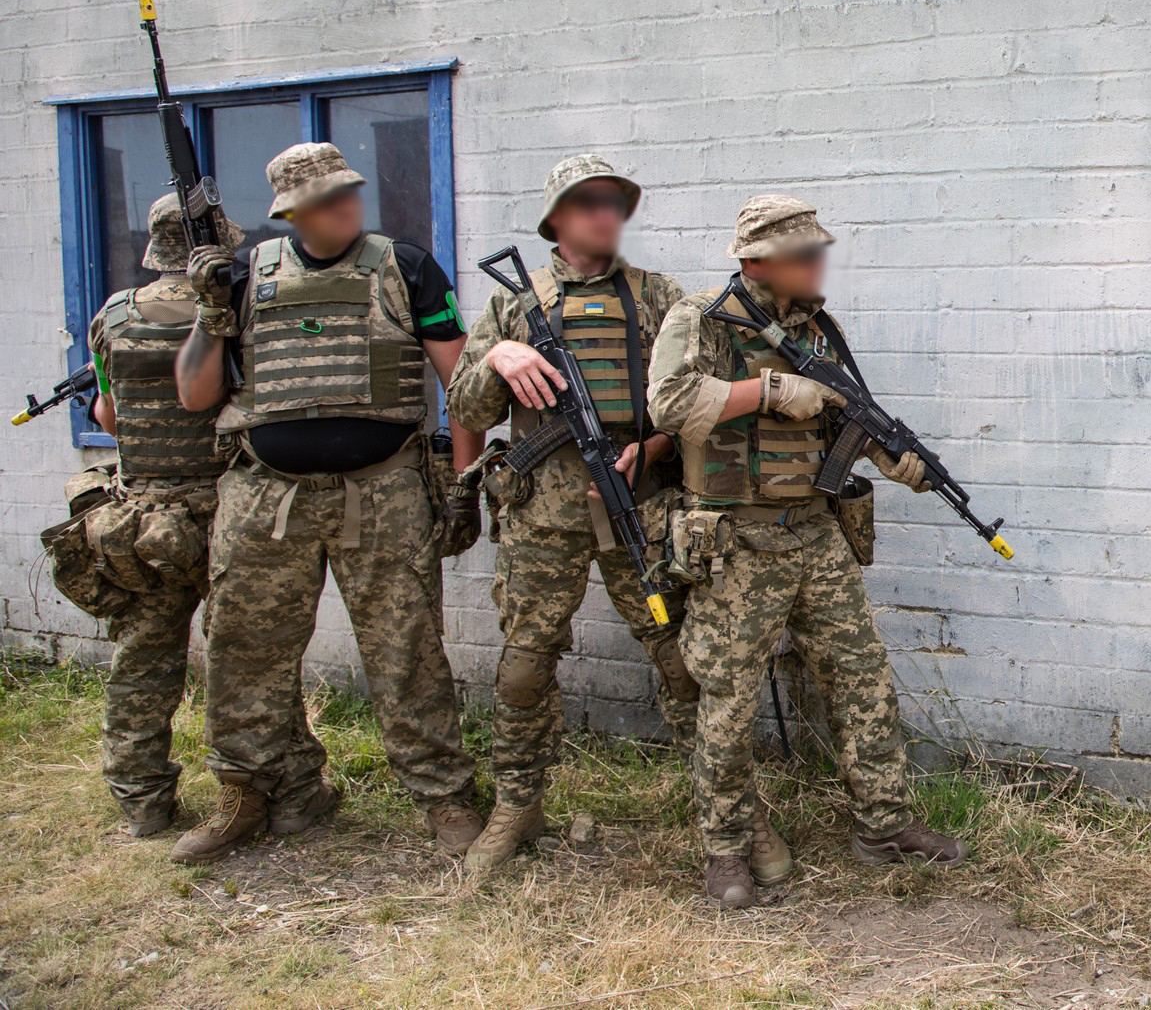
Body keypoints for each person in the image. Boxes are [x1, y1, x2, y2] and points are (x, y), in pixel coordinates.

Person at [647, 194, 965, 909]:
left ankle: (883, 824)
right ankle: (726, 847)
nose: (821, 263)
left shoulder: (821, 329)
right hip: (737, 539)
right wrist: (766, 388)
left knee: (861, 676)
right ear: (758, 260)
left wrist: (899, 461)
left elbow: (850, 411)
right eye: (806, 253)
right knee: (727, 699)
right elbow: (667, 404)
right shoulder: (700, 319)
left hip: (815, 533)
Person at [172, 142, 484, 865]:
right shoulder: (247, 276)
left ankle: (443, 795)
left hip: (382, 489)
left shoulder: (404, 267)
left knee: (407, 650)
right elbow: (194, 395)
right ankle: (255, 790)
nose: (345, 207)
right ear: (292, 214)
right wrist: (209, 312)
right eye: (325, 201)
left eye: (348, 192)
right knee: (245, 649)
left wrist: (463, 482)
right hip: (264, 495)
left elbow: (464, 382)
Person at [446, 153, 730, 876]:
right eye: (589, 201)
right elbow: (465, 405)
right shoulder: (515, 303)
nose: (607, 213)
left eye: (614, 201)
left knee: (679, 654)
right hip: (543, 514)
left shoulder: (658, 296)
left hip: (641, 503)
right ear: (557, 220)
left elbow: (703, 391)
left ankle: (725, 813)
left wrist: (655, 445)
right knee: (524, 665)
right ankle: (518, 803)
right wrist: (501, 357)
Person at [66, 196, 244, 837]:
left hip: (144, 520)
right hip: (229, 511)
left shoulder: (113, 315)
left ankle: (142, 803)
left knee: (142, 663)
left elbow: (109, 420)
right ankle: (252, 793)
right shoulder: (233, 312)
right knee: (242, 661)